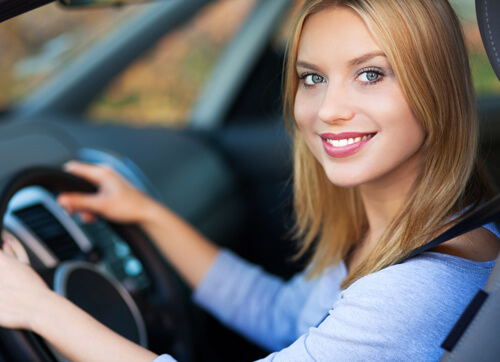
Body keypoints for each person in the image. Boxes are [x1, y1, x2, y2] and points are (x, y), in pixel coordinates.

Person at [0, 0, 498, 360]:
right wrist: (147, 213)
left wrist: (38, 308)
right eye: (312, 78)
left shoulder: (417, 286)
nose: (328, 110)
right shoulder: (410, 228)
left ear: (437, 87)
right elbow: (282, 316)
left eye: (371, 74)